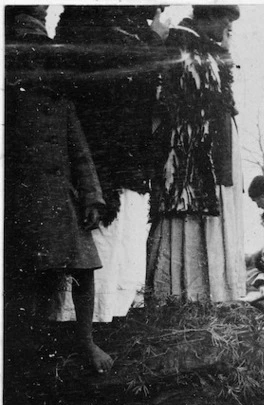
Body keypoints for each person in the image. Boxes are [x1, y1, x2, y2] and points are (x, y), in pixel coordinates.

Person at [4, 6, 112, 373]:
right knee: (28, 280)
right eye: (24, 54)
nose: (33, 63)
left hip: (62, 202)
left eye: (39, 54)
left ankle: (86, 344)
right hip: (21, 203)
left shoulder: (60, 103)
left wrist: (93, 197)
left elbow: (81, 155)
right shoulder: (9, 103)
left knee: (85, 268)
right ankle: (24, 350)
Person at [53, 5, 168, 322]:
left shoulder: (127, 25)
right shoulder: (89, 19)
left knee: (121, 244)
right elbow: (125, 76)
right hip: (102, 154)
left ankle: (110, 318)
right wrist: (154, 41)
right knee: (100, 240)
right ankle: (81, 326)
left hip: (126, 155)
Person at [146, 5, 246, 304]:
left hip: (213, 144)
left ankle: (210, 292)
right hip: (191, 151)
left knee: (207, 213)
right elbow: (175, 100)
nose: (228, 29)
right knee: (187, 216)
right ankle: (185, 293)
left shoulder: (206, 49)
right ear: (209, 17)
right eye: (226, 22)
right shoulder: (181, 44)